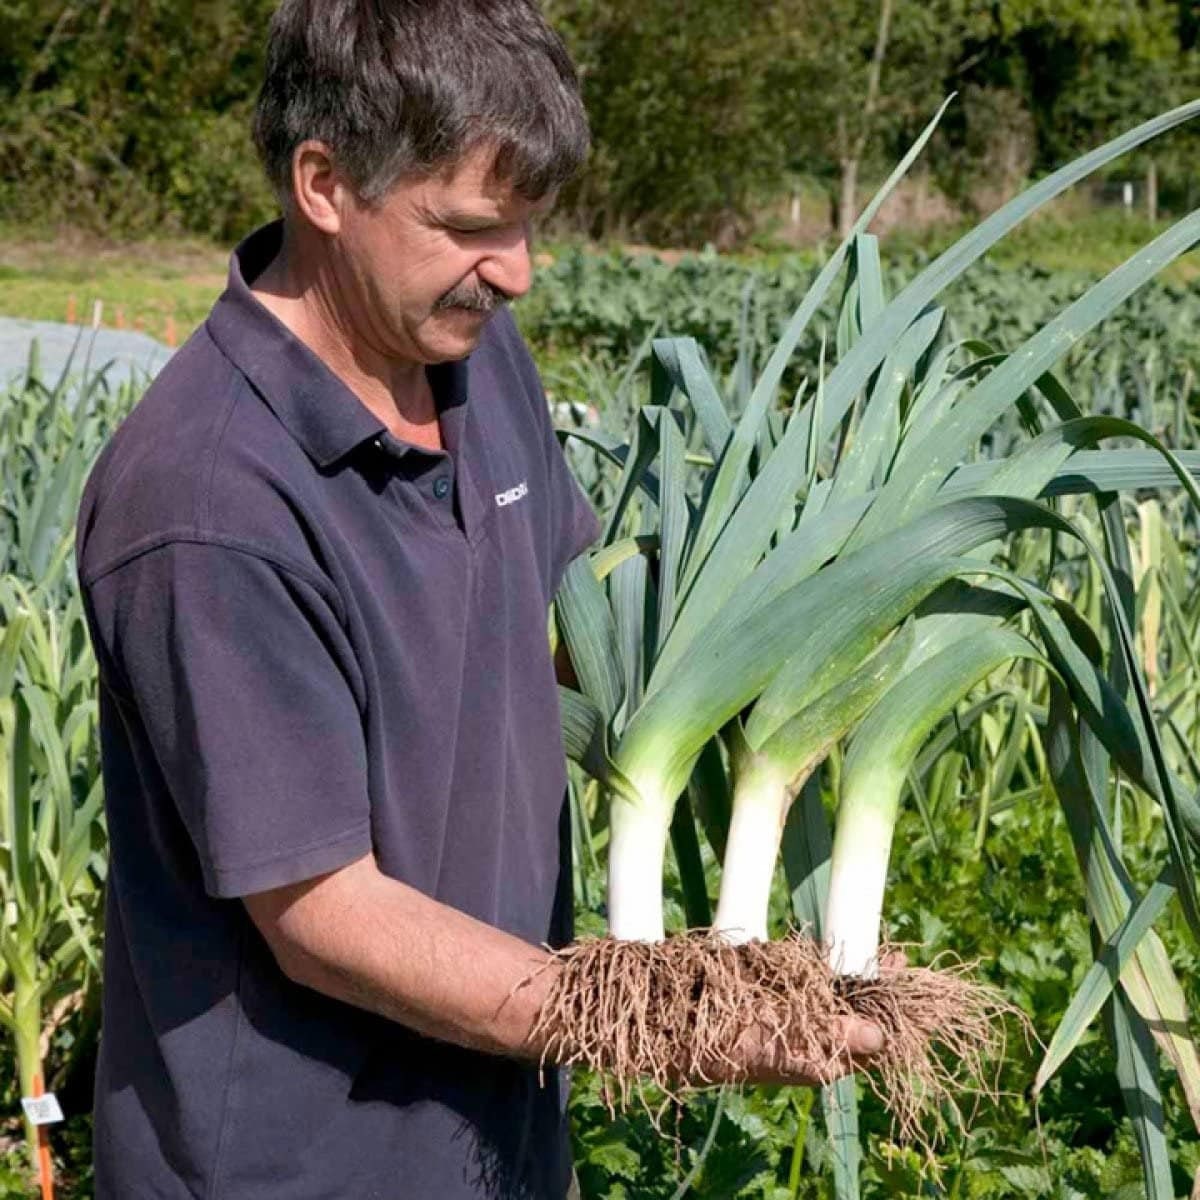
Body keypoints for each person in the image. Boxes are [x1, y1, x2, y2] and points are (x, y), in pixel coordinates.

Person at [75, 2, 883, 1196]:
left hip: (497, 1120)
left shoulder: (468, 351)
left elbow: (565, 627)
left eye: (524, 227)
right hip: (301, 1165)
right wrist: (643, 1020)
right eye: (466, 227)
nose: (516, 272)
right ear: (324, 183)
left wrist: (800, 630)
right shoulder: (207, 504)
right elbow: (323, 915)